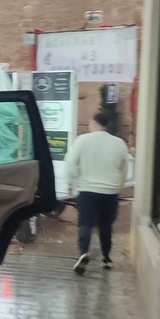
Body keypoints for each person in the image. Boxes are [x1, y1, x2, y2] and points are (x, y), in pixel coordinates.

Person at [65, 111, 129, 274]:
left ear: (93, 124)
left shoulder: (82, 141)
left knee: (85, 223)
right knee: (105, 225)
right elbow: (123, 169)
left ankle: (83, 253)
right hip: (110, 192)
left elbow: (71, 162)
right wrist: (117, 186)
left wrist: (74, 180)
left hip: (87, 190)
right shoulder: (119, 143)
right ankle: (106, 259)